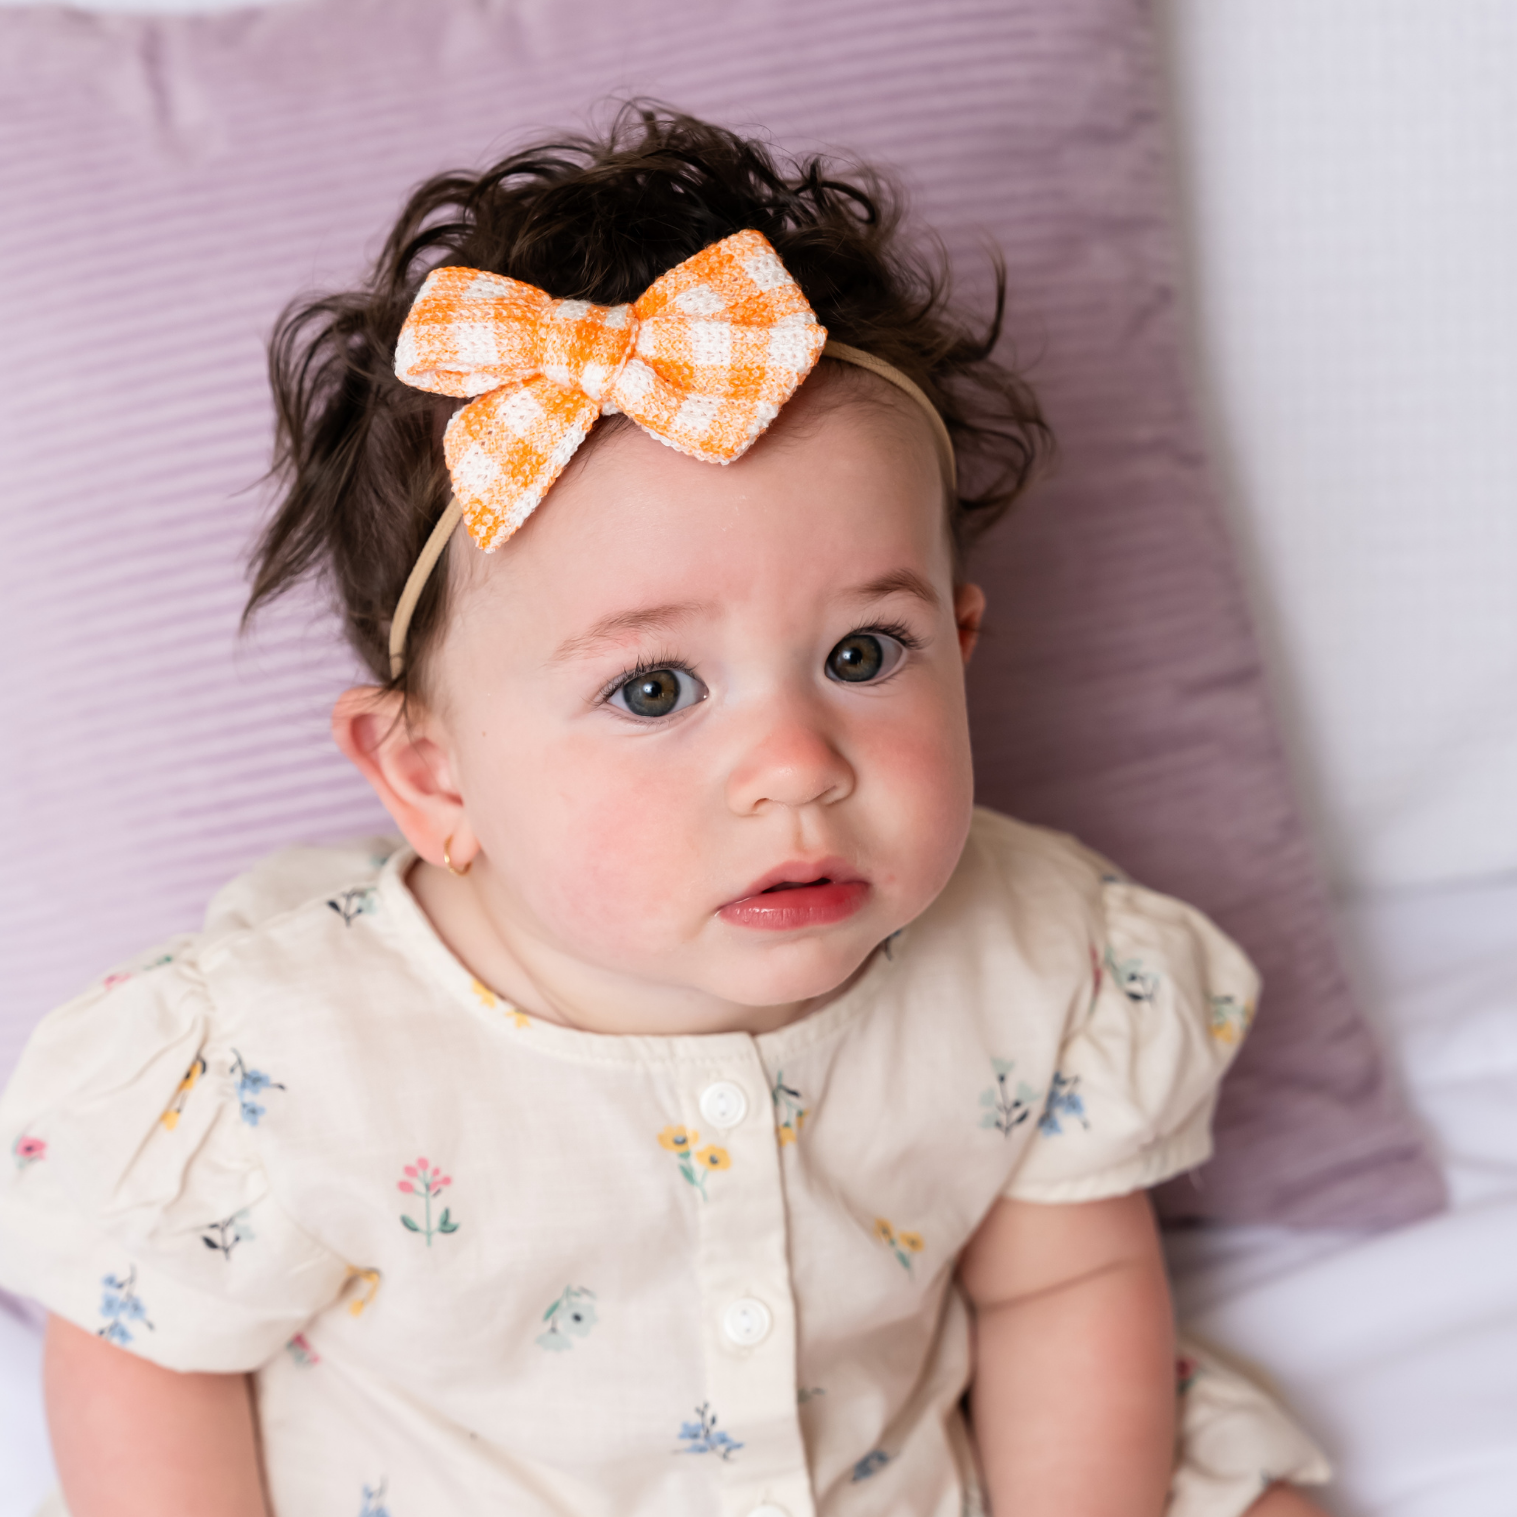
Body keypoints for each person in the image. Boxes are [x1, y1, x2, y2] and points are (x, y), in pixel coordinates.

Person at [0, 108, 1331, 1517]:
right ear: (433, 777)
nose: (796, 765)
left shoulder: (1038, 953)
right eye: (653, 689)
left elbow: (1062, 1288)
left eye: (863, 654)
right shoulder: (286, 1057)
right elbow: (145, 1353)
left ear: (961, 644)